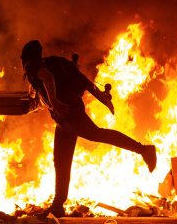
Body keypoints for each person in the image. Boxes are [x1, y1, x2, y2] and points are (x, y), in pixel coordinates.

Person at [20, 40, 157, 218]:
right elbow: (86, 83)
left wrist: (53, 101)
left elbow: (47, 77)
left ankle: (144, 149)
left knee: (95, 134)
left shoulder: (33, 65)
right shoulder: (55, 65)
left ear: (25, 58)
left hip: (69, 113)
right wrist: (104, 100)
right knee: (61, 160)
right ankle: (57, 205)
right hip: (65, 117)